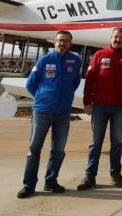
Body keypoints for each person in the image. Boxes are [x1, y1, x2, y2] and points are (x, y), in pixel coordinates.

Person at [17, 30, 81, 199]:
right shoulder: (44, 60)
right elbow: (31, 84)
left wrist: (64, 97)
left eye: (66, 41)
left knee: (58, 150)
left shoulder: (75, 61)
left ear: (70, 43)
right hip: (42, 112)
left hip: (63, 113)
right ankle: (28, 185)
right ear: (55, 42)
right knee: (34, 149)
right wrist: (43, 97)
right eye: (60, 40)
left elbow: (74, 83)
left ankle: (51, 181)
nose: (62, 43)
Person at [77, 27, 122, 190]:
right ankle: (89, 176)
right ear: (111, 37)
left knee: (116, 143)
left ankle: (115, 174)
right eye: (116, 36)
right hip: (100, 107)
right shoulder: (99, 55)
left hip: (119, 108)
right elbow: (90, 80)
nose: (118, 39)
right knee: (95, 143)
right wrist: (87, 102)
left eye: (121, 37)